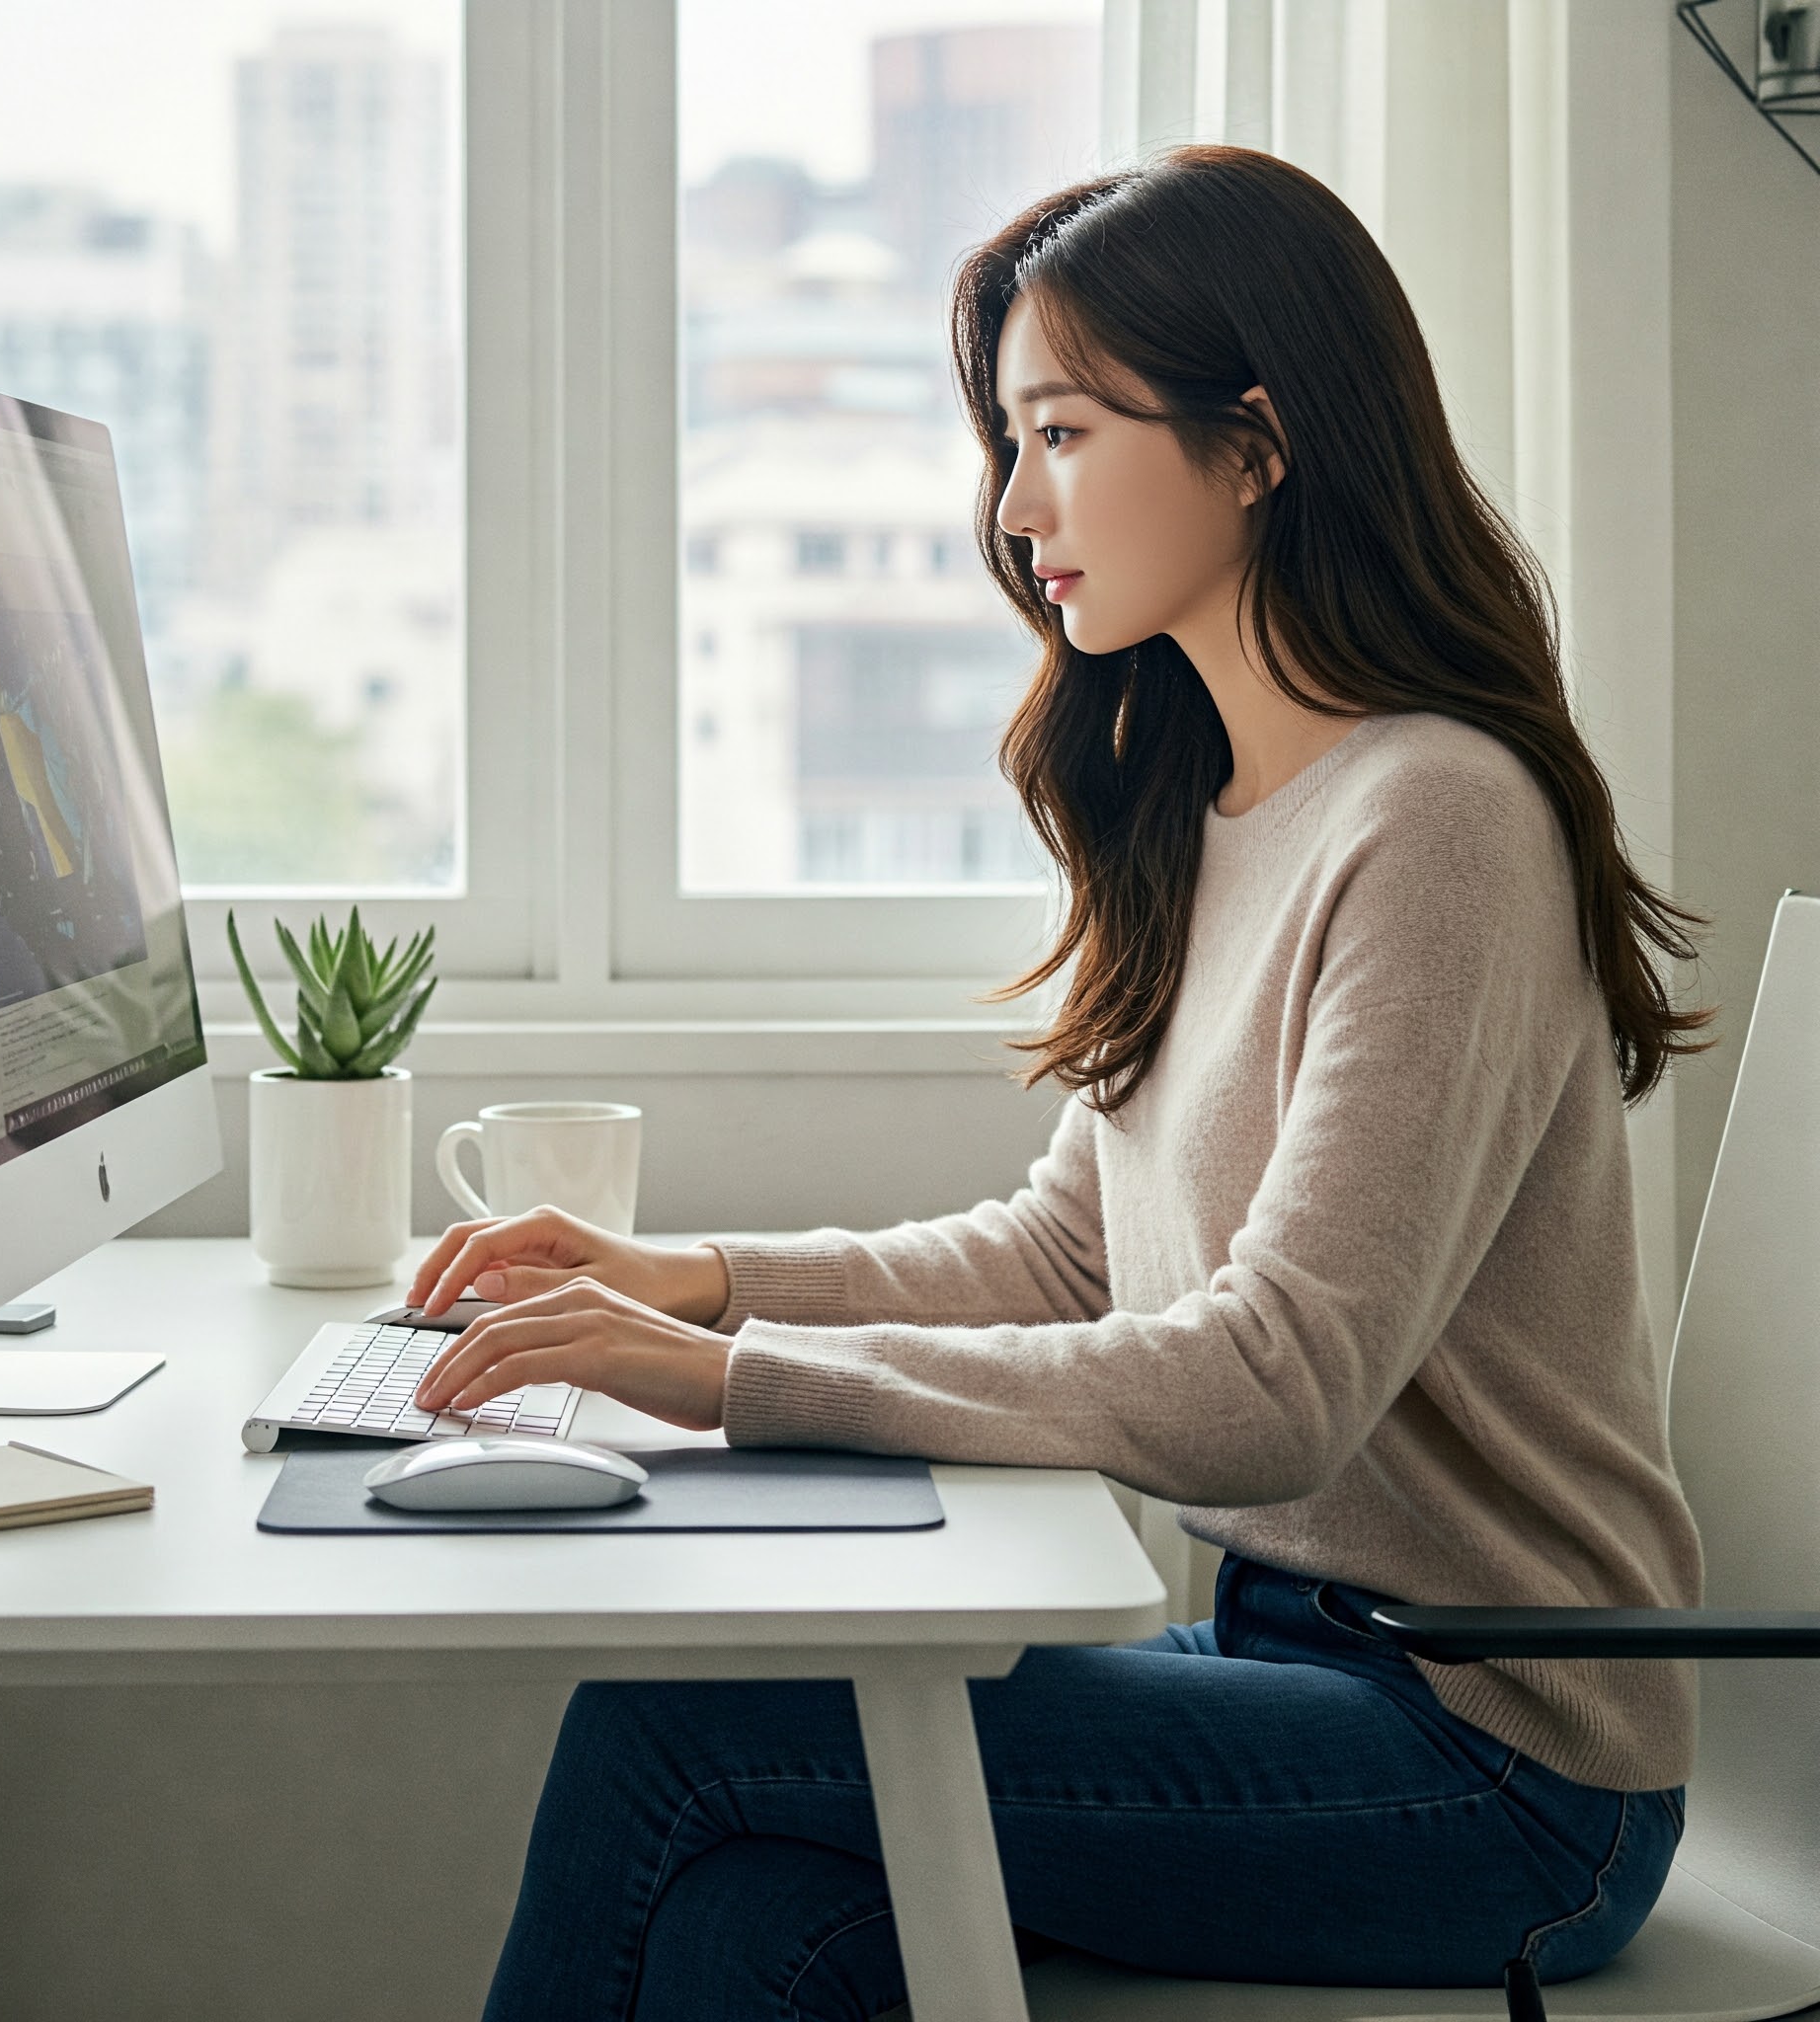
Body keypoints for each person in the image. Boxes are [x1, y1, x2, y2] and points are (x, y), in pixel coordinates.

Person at [412, 145, 1708, 2020]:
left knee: (678, 1723)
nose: (1016, 506)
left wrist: (732, 1384)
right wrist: (689, 1283)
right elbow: (1064, 1257)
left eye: (1065, 434)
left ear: (1256, 444)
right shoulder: (1205, 801)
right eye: (1010, 444)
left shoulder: (1437, 820)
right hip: (1287, 1666)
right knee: (745, 1930)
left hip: (1497, 1762)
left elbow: (1274, 1390)